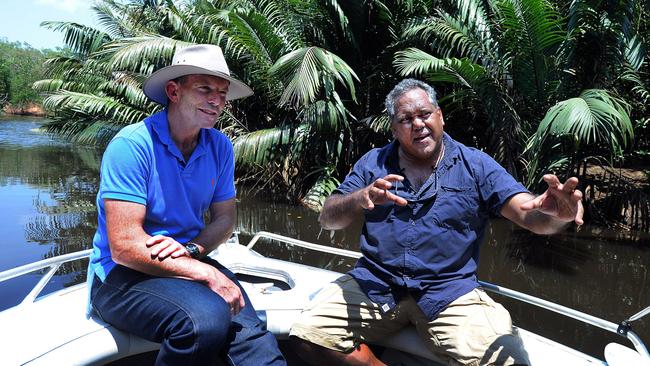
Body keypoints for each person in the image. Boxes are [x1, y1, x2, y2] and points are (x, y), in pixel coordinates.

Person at [289, 78, 584, 366]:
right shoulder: (373, 164)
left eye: (424, 114)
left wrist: (554, 215)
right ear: (394, 129)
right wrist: (360, 198)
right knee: (305, 338)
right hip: (375, 284)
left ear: (440, 117)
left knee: (509, 361)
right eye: (406, 119)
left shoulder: (476, 166)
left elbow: (529, 215)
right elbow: (328, 217)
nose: (417, 124)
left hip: (448, 292)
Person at [86, 44, 286, 366]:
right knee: (202, 322)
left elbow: (224, 219)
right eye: (205, 88)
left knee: (255, 340)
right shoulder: (132, 146)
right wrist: (207, 275)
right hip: (121, 276)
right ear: (173, 91)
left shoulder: (219, 146)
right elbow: (124, 247)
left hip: (185, 261)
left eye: (222, 93)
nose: (216, 101)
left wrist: (192, 251)